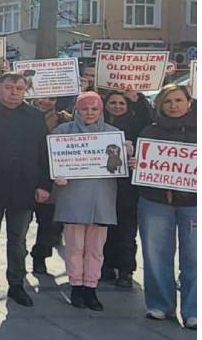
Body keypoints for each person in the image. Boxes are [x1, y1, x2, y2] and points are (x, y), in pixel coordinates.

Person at [0, 73, 51, 307]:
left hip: (24, 187)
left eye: (19, 88)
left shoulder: (36, 117)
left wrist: (44, 185)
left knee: (18, 239)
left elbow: (44, 153)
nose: (14, 92)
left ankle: (16, 284)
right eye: (9, 87)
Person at [51, 92, 122, 311]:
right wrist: (56, 173)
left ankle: (91, 286)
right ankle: (76, 286)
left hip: (101, 199)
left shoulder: (113, 134)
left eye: (94, 109)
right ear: (76, 110)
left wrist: (128, 158)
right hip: (72, 197)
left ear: (101, 111)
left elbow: (119, 167)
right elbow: (50, 160)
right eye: (84, 108)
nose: (89, 113)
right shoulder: (62, 132)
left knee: (95, 248)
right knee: (74, 246)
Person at [136, 84, 196, 327]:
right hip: (155, 201)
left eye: (178, 100)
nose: (174, 106)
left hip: (193, 203)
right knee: (155, 255)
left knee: (194, 257)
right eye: (168, 101)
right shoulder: (149, 131)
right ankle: (160, 305)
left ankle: (193, 310)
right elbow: (142, 164)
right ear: (160, 104)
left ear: (188, 103)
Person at [101, 90, 150, 288]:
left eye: (122, 103)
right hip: (104, 185)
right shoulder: (98, 125)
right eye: (113, 102)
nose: (117, 106)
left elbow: (148, 118)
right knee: (105, 228)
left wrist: (138, 99)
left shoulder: (136, 125)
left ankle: (126, 270)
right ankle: (106, 266)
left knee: (127, 230)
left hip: (128, 187)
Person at [30, 96, 72, 274]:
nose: (46, 102)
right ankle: (18, 256)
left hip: (52, 178)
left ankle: (40, 256)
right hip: (26, 175)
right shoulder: (25, 115)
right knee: (20, 224)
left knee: (47, 221)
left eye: (51, 98)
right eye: (42, 98)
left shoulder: (66, 120)